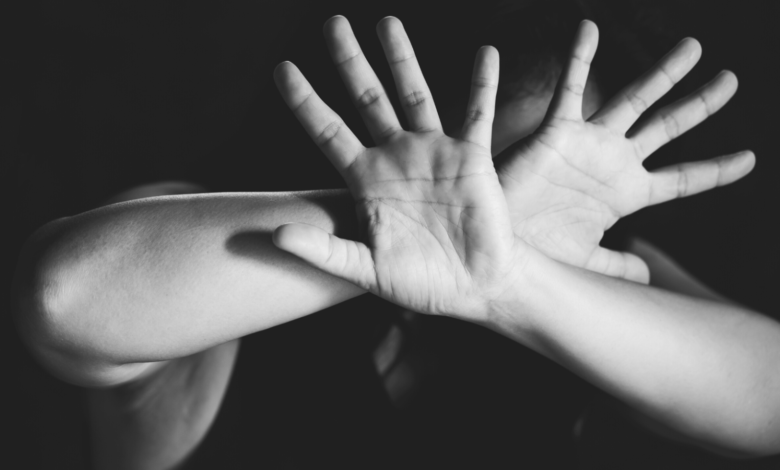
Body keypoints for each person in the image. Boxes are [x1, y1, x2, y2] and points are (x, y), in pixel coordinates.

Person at [11, 14, 776, 469]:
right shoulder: (222, 235)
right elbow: (64, 297)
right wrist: (388, 229)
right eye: (492, 172)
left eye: (540, 189)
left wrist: (511, 279)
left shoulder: (603, 283)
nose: (493, 212)